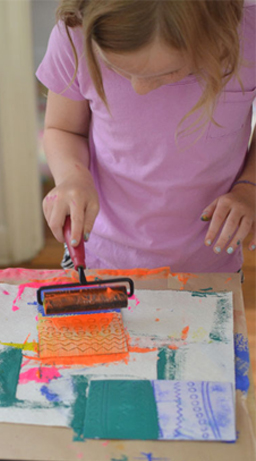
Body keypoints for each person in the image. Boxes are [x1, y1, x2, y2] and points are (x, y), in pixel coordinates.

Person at [37, 0, 256, 273]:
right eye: (117, 68)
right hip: (99, 258)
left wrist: (250, 187)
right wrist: (72, 177)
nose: (140, 89)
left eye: (168, 73)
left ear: (214, 33)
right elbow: (64, 129)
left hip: (211, 265)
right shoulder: (75, 34)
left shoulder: (250, 30)